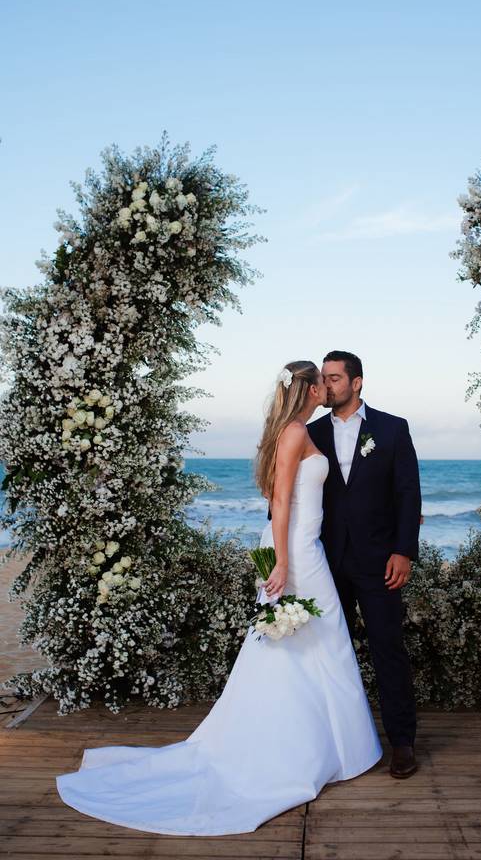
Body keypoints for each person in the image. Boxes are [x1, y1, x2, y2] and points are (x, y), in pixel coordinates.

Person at [55, 360, 382, 836]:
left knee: (313, 643)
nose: (325, 388)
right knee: (311, 640)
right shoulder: (293, 434)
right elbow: (280, 503)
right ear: (308, 388)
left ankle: (328, 745)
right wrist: (284, 564)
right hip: (296, 553)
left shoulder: (295, 431)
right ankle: (302, 748)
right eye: (320, 382)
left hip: (302, 548)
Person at [308, 350, 422, 779]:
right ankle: (331, 742)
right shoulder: (310, 431)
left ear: (357, 383)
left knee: (387, 649)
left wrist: (403, 550)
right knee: (328, 652)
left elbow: (408, 494)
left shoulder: (392, 429)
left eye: (335, 378)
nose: (327, 385)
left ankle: (402, 743)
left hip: (379, 561)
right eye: (324, 378)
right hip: (326, 561)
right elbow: (288, 493)